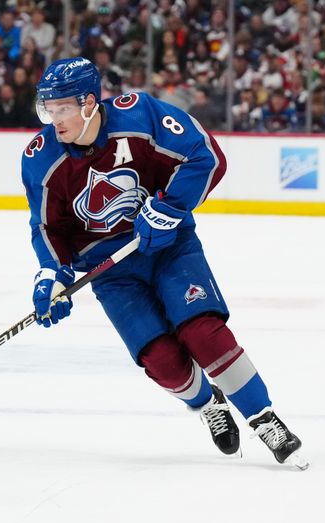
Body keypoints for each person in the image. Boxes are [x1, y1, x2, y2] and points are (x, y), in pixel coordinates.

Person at [21, 57, 307, 469]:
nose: (54, 120)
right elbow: (47, 226)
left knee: (203, 333)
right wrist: (52, 273)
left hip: (169, 247)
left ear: (88, 102)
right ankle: (208, 404)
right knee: (161, 360)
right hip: (111, 270)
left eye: (62, 108)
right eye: (48, 109)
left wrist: (171, 208)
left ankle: (265, 419)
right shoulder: (41, 158)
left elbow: (204, 154)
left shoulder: (141, 115)